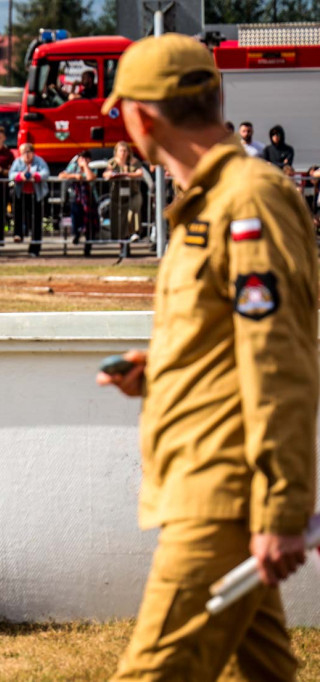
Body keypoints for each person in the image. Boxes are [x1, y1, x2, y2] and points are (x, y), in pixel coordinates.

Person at [98, 33, 318, 681]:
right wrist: (156, 370)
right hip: (213, 475)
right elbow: (230, 338)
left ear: (141, 117)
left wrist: (281, 507)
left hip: (219, 491)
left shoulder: (246, 198)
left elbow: (278, 358)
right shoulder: (217, 197)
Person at [8, 143, 50, 255]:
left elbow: (46, 173)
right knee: (18, 215)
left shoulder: (39, 161)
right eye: (23, 153)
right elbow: (11, 174)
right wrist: (20, 176)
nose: (26, 155)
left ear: (33, 153)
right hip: (21, 194)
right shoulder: (18, 162)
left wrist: (35, 176)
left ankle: (35, 248)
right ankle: (18, 234)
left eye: (28, 152)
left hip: (36, 195)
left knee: (36, 221)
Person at [58, 149, 99, 255]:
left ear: (89, 160)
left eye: (85, 159)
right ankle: (76, 234)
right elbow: (61, 175)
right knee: (76, 216)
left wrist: (85, 167)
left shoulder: (92, 167)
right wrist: (74, 176)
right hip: (76, 198)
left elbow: (90, 177)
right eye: (81, 159)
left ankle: (87, 248)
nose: (82, 161)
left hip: (90, 199)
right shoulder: (74, 167)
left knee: (90, 225)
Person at [102, 141, 144, 242]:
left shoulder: (134, 162)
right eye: (121, 151)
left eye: (125, 151)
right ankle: (120, 240)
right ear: (116, 152)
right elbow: (106, 174)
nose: (123, 153)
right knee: (117, 218)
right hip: (117, 195)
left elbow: (140, 173)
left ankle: (133, 233)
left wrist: (127, 174)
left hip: (133, 193)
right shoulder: (112, 162)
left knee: (133, 210)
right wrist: (112, 175)